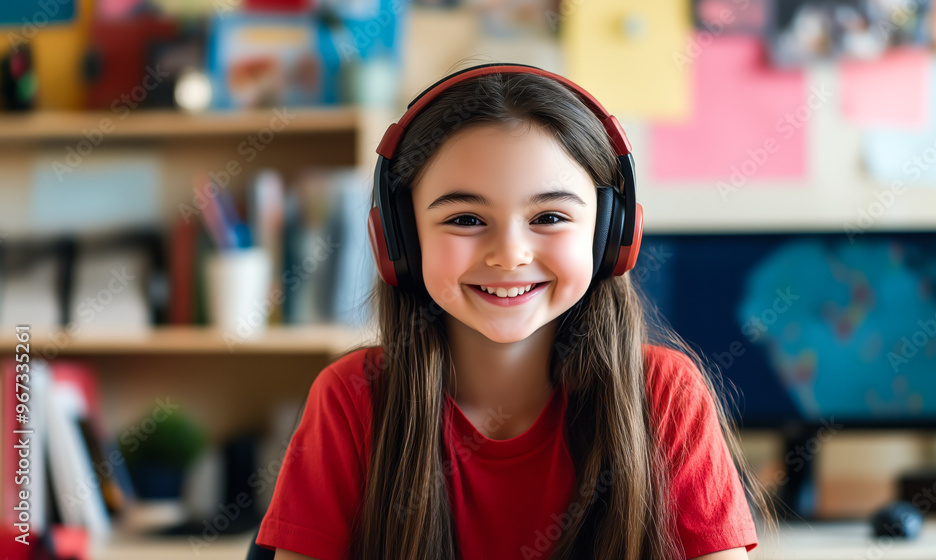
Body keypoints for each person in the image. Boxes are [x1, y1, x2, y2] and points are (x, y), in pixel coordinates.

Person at [255, 62, 769, 560]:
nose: (509, 254)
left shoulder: (663, 395)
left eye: (548, 216)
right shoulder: (352, 401)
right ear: (400, 239)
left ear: (611, 235)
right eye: (465, 218)